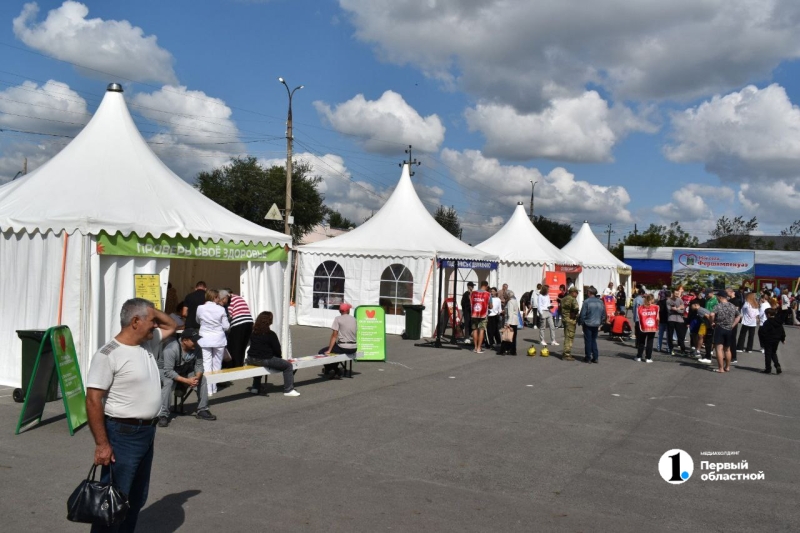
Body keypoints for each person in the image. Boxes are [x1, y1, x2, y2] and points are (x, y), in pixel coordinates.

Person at [85, 298, 177, 533]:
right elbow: (93, 399)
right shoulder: (108, 354)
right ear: (135, 321)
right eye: (151, 321)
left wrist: (151, 311)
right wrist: (102, 444)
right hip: (122, 434)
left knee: (136, 498)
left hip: (147, 432)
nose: (156, 325)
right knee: (112, 499)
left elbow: (172, 325)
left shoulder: (147, 344)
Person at [157, 328, 216, 427]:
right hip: (164, 370)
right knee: (168, 383)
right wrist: (187, 381)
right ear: (184, 341)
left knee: (203, 379)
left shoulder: (197, 348)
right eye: (194, 340)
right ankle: (163, 415)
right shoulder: (171, 349)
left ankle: (202, 410)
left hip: (183, 369)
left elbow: (199, 366)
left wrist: (196, 378)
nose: (196, 342)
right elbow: (168, 371)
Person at [247, 311, 300, 395]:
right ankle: (288, 389)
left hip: (250, 359)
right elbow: (277, 350)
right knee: (288, 366)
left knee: (259, 364)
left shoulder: (253, 332)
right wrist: (279, 359)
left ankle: (255, 387)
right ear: (269, 321)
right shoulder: (271, 334)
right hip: (264, 359)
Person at [196, 289, 229, 395]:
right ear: (215, 297)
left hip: (205, 338)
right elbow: (226, 326)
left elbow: (198, 320)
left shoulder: (200, 308)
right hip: (219, 338)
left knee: (206, 363)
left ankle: (208, 389)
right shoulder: (221, 309)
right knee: (217, 364)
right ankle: (214, 387)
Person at [321, 302, 357, 378]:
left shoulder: (338, 319)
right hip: (354, 347)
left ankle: (334, 369)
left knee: (322, 351)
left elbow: (334, 335)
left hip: (344, 346)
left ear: (340, 311)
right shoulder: (354, 319)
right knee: (336, 351)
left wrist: (329, 349)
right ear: (348, 311)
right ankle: (329, 369)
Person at [219, 289, 253, 368]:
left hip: (239, 323)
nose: (223, 302)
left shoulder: (231, 300)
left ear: (225, 297)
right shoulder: (238, 298)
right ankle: (240, 364)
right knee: (243, 346)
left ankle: (235, 366)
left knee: (235, 346)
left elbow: (229, 316)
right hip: (249, 322)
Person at [711, 290, 741, 373]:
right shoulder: (732, 306)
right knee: (727, 349)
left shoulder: (718, 306)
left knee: (719, 349)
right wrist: (733, 325)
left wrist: (712, 322)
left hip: (720, 328)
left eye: (717, 297)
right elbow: (738, 316)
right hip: (729, 329)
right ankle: (727, 367)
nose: (717, 298)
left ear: (720, 297)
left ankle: (720, 368)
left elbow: (712, 314)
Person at [578, 287, 606, 363]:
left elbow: (583, 314)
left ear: (590, 293)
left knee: (588, 341)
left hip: (588, 323)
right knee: (593, 340)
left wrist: (581, 322)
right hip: (596, 323)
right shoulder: (600, 302)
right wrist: (601, 322)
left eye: (587, 292)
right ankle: (595, 357)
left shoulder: (587, 302)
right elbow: (603, 314)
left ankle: (588, 357)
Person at [759, 308, 785, 374]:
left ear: (768, 314)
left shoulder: (767, 322)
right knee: (773, 352)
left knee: (768, 354)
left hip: (768, 339)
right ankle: (777, 365)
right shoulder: (779, 322)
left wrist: (762, 341)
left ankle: (768, 369)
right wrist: (783, 338)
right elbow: (782, 330)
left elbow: (763, 332)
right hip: (776, 340)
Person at [635, 294, 659, 362]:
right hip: (652, 326)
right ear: (653, 299)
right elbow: (657, 318)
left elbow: (638, 317)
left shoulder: (640, 307)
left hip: (643, 326)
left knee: (641, 342)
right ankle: (648, 358)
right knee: (650, 342)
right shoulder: (656, 307)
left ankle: (639, 356)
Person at [470, 281, 491, 353]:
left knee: (474, 330)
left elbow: (471, 302)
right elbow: (491, 306)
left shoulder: (473, 293)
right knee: (482, 330)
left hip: (474, 313)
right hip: (483, 314)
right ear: (486, 286)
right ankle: (479, 348)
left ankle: (475, 347)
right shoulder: (488, 294)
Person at [560, 286, 580, 361]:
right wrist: (575, 314)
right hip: (571, 320)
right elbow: (576, 308)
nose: (577, 294)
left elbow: (560, 308)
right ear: (573, 292)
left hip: (565, 319)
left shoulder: (564, 299)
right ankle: (566, 354)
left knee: (566, 336)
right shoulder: (572, 299)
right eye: (576, 293)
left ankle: (566, 352)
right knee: (569, 337)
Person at [666, 289, 688, 356]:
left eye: (677, 294)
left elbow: (683, 310)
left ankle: (683, 349)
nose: (676, 295)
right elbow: (669, 310)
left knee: (680, 335)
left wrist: (677, 309)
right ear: (672, 293)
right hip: (671, 319)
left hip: (679, 320)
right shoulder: (668, 301)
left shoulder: (680, 300)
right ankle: (670, 348)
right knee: (670, 335)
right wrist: (678, 308)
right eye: (675, 293)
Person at [499, 290, 520, 355]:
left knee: (506, 337)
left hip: (510, 321)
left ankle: (503, 350)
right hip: (515, 321)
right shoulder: (515, 301)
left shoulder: (510, 302)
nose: (504, 296)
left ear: (508, 295)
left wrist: (508, 323)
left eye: (505, 295)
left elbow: (510, 313)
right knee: (513, 337)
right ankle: (512, 350)